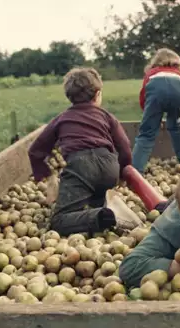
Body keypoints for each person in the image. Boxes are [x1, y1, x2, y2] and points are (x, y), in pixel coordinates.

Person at [27, 67, 131, 236]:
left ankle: (101, 216)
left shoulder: (61, 119)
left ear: (69, 96)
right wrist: (123, 172)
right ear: (97, 95)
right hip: (109, 166)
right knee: (95, 196)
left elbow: (35, 151)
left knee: (59, 220)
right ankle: (106, 209)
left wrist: (47, 175)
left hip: (81, 167)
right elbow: (124, 146)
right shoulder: (107, 116)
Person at [131, 48, 180, 173]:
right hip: (178, 93)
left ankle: (136, 171)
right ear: (178, 63)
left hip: (156, 95)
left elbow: (143, 98)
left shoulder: (151, 74)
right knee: (176, 126)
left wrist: (152, 118)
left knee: (147, 134)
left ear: (155, 62)